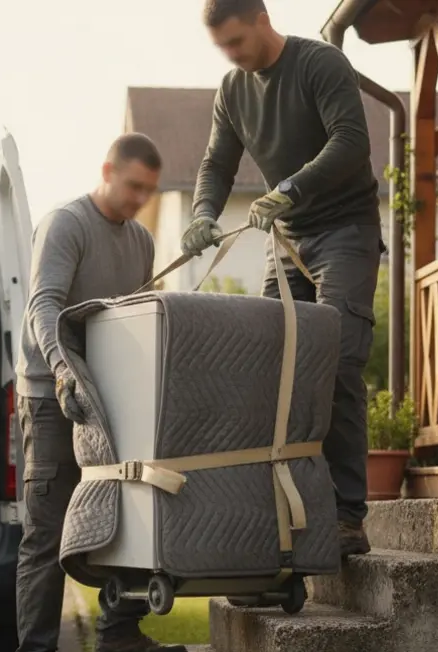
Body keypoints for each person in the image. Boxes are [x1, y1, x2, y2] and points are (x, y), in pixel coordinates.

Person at [183, 0, 384, 559]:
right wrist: (203, 213)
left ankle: (347, 518)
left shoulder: (319, 64)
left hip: (344, 229)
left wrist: (290, 188)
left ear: (261, 20)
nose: (231, 56)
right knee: (275, 373)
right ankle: (284, 514)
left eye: (236, 43)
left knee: (337, 358)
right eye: (221, 48)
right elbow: (216, 166)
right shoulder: (233, 89)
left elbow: (350, 142)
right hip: (286, 240)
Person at [13, 133, 190, 652]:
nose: (141, 199)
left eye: (148, 190)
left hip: (110, 395)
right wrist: (63, 371)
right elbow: (44, 304)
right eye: (133, 186)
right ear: (108, 171)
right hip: (52, 391)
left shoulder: (139, 240)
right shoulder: (66, 224)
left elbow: (133, 319)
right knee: (45, 529)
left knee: (137, 502)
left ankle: (121, 632)